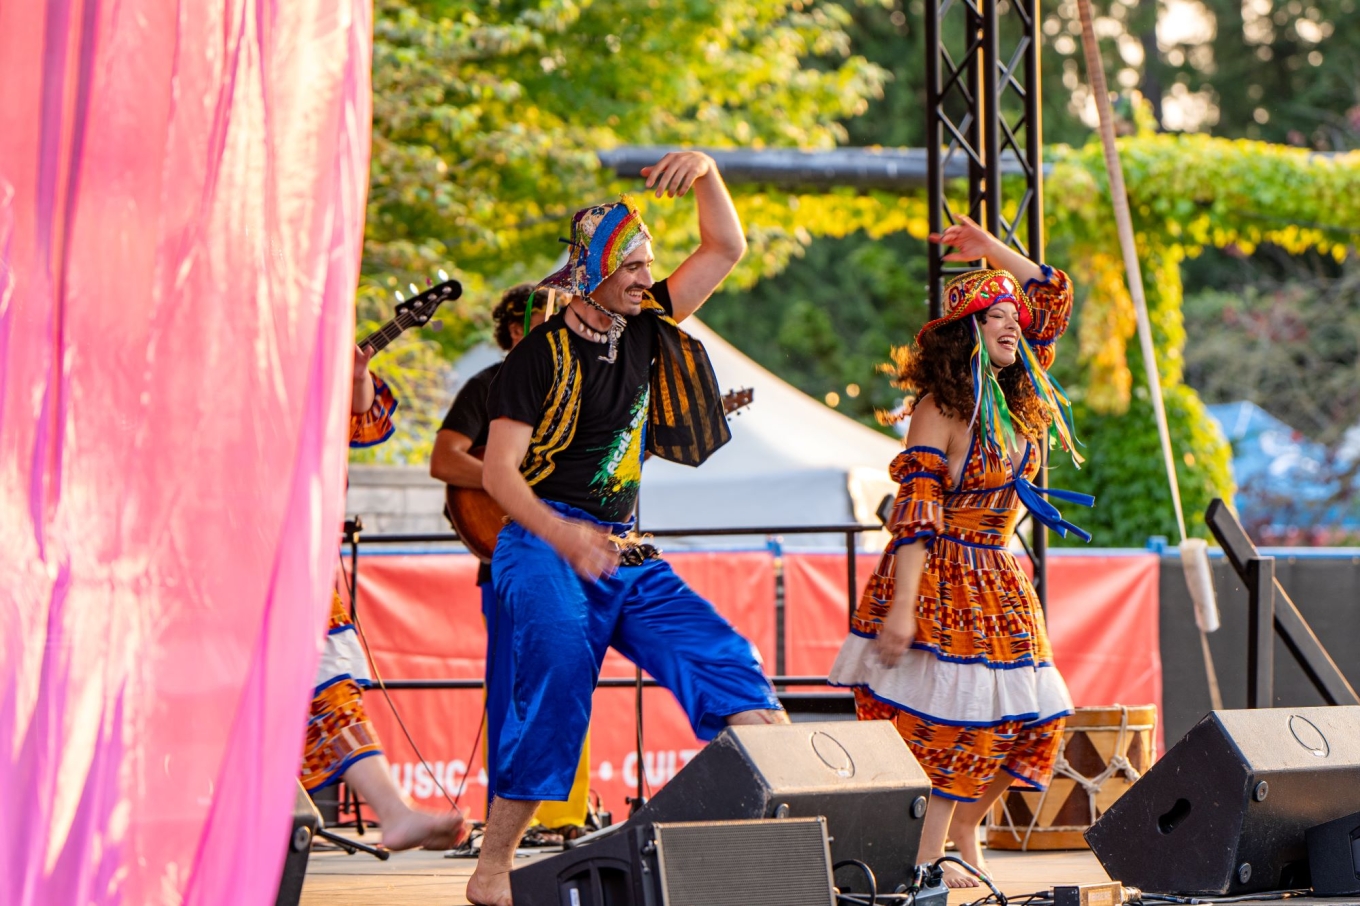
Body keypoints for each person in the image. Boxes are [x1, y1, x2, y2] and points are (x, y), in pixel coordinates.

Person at [464, 151, 789, 906]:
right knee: (553, 685)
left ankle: (785, 844)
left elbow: (725, 248)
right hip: (544, 543)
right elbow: (497, 473)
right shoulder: (538, 355)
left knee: (728, 662)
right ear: (594, 275)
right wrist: (563, 535)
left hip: (623, 548)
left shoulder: (648, 325)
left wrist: (707, 173)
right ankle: (493, 870)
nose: (648, 278)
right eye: (634, 266)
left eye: (649, 265)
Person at [828, 216, 1093, 888]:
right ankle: (927, 861)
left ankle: (964, 832)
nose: (1013, 323)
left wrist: (991, 253)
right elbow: (916, 514)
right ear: (964, 335)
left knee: (1041, 721)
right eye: (994, 315)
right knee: (956, 727)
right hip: (941, 575)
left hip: (999, 577)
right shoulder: (939, 408)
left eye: (1014, 315)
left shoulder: (1015, 398)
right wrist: (902, 611)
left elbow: (1055, 294)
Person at [430, 286, 595, 835]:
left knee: (568, 678)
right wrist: (506, 477)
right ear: (514, 332)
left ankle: (565, 815)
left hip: (569, 559)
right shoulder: (489, 385)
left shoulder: (585, 384)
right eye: (538, 322)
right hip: (509, 555)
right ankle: (507, 820)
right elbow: (444, 458)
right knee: (512, 684)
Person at [300, 344, 468, 851]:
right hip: (217, 571)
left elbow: (360, 420)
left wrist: (355, 373)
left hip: (291, 570)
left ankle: (392, 810)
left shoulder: (301, 386)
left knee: (332, 691)